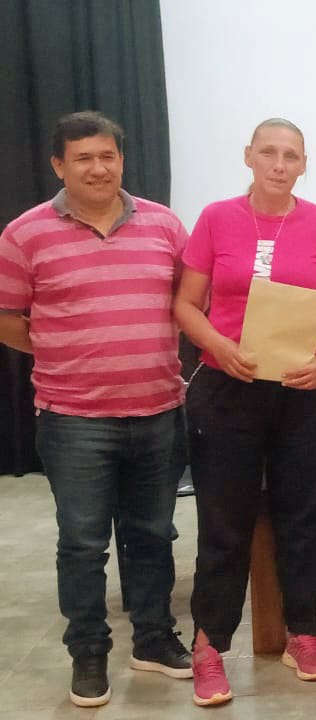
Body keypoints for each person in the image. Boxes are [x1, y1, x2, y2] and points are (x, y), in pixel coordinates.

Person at [0, 111, 192, 707]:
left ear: (122, 160)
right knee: (83, 544)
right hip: (73, 419)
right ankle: (88, 653)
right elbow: (7, 317)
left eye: (107, 156)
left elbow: (189, 304)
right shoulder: (24, 234)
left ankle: (153, 639)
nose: (98, 168)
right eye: (83, 158)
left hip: (159, 409)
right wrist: (66, 348)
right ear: (59, 165)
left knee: (153, 534)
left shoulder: (165, 225)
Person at [173, 118, 316, 706]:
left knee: (303, 519)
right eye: (269, 153)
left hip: (306, 391)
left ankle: (304, 633)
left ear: (304, 164)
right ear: (248, 156)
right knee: (223, 523)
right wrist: (218, 346)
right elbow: (186, 304)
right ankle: (209, 647)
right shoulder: (216, 218)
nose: (279, 164)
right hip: (228, 389)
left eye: (291, 155)